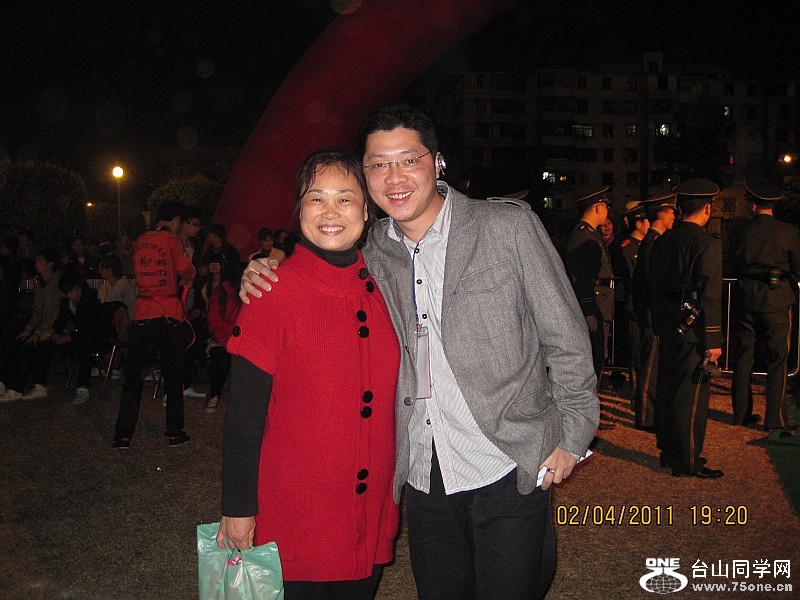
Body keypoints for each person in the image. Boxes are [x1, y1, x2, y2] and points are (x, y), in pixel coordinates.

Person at [240, 104, 599, 600]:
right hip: (423, 472)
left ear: (437, 162)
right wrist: (268, 266)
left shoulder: (506, 227)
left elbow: (566, 337)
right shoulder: (371, 250)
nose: (394, 177)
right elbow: (320, 262)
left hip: (507, 459)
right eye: (378, 164)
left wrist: (573, 434)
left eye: (408, 160)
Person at [217, 149, 400, 599]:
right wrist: (237, 507)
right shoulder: (272, 291)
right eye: (316, 198)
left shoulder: (388, 286)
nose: (331, 212)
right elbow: (243, 413)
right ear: (299, 210)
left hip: (368, 510)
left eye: (345, 198)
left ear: (367, 210)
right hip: (296, 512)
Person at [648, 178, 723, 479]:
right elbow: (710, 293)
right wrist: (713, 338)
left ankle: (668, 451)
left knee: (667, 388)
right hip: (693, 328)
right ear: (707, 208)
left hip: (668, 323)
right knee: (691, 396)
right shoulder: (707, 243)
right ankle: (688, 459)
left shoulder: (663, 240)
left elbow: (653, 283)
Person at [112, 201, 195, 449]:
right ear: (176, 220)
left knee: (133, 377)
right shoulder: (170, 240)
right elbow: (186, 270)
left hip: (142, 314)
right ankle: (174, 432)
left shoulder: (140, 240)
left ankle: (123, 435)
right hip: (167, 313)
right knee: (172, 376)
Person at [729, 176, 800, 431]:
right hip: (776, 299)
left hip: (746, 298)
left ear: (753, 205)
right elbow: (797, 268)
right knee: (778, 360)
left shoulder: (741, 231)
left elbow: (732, 263)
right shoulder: (788, 232)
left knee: (743, 358)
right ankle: (774, 419)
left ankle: (741, 414)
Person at [564, 187, 615, 429]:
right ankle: (588, 416)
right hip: (593, 302)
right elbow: (580, 277)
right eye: (605, 206)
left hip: (599, 301)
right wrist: (588, 310)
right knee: (591, 362)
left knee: (597, 360)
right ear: (597, 207)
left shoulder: (590, 233)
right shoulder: (583, 235)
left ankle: (592, 413)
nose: (607, 212)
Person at [631, 193, 678, 441]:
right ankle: (645, 416)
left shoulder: (655, 240)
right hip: (653, 315)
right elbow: (651, 283)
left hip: (654, 313)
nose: (674, 216)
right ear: (661, 213)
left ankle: (650, 414)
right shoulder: (653, 242)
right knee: (649, 368)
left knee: (654, 365)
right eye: (671, 211)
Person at [0, 247, 62, 402]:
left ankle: (18, 388)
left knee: (29, 346)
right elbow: (37, 312)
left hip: (55, 329)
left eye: (40, 261)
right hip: (41, 328)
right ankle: (3, 381)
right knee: (14, 340)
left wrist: (38, 333)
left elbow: (57, 313)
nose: (36, 264)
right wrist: (29, 329)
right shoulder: (39, 284)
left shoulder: (58, 283)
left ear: (50, 263)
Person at [612, 201, 651, 427]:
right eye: (647, 221)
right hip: (635, 308)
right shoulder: (627, 247)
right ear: (638, 223)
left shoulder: (649, 244)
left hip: (647, 309)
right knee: (637, 357)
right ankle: (639, 400)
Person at [52, 272, 113, 404]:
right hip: (79, 336)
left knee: (83, 346)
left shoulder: (90, 301)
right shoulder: (67, 303)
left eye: (75, 290)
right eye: (69, 292)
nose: (73, 294)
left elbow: (90, 329)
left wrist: (69, 337)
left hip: (96, 338)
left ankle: (83, 387)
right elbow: (62, 320)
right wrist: (54, 332)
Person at [202, 253, 240, 413]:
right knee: (220, 358)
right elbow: (214, 322)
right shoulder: (219, 293)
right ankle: (214, 394)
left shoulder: (247, 293)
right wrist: (225, 342)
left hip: (242, 341)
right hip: (222, 339)